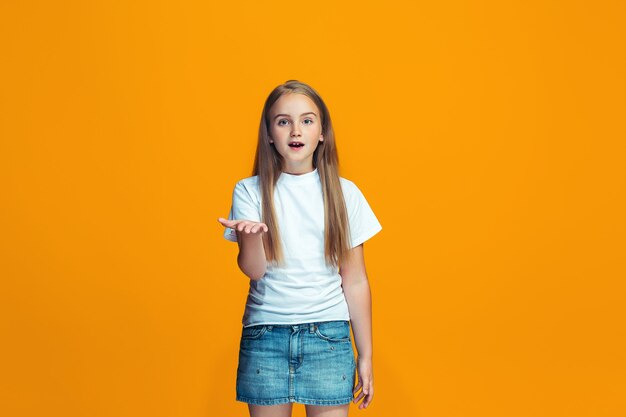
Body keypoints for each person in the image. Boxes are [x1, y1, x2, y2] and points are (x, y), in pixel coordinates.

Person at [218, 80, 382, 417]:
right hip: (265, 338)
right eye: (283, 121)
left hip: (329, 337)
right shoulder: (249, 191)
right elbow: (254, 270)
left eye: (307, 120)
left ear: (322, 132)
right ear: (269, 134)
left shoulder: (343, 193)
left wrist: (365, 355)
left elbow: (355, 281)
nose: (296, 130)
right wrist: (250, 236)